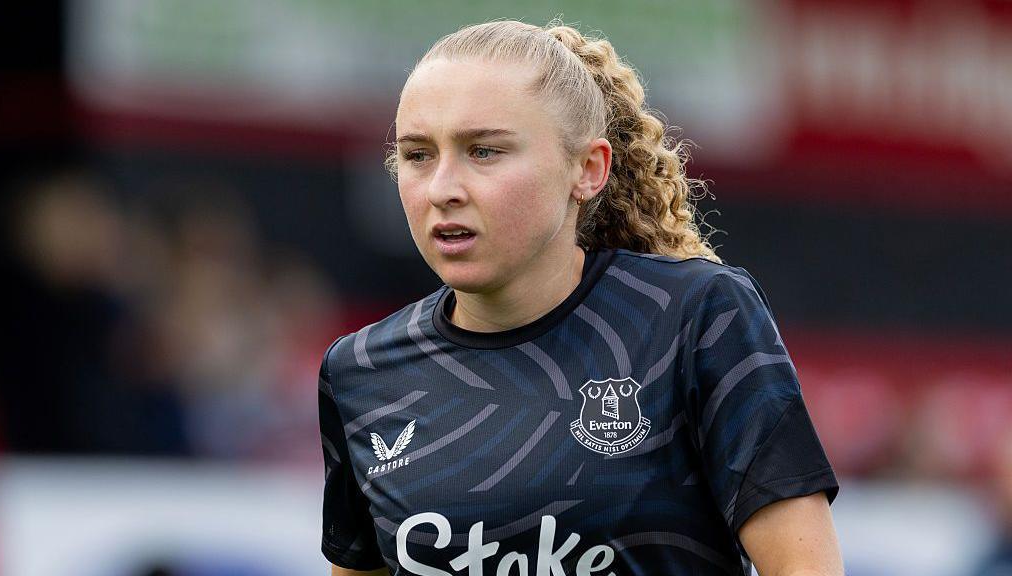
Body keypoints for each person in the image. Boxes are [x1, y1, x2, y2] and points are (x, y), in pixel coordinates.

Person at [319, 19, 843, 576]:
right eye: (418, 155)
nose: (444, 188)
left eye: (485, 151)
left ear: (588, 169)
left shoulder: (695, 318)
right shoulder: (362, 371)